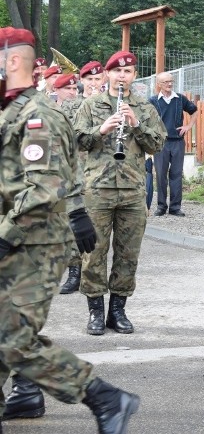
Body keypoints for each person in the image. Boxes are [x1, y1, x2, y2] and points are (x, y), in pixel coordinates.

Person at [0, 27, 140, 434]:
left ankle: (105, 398)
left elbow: (43, 187)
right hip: (19, 239)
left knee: (12, 338)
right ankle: (30, 397)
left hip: (34, 243)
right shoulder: (11, 110)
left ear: (12, 61)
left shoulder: (38, 115)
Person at [74, 51, 166, 334]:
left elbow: (158, 144)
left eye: (127, 72)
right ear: (107, 75)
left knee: (128, 254)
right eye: (116, 72)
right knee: (94, 253)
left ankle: (118, 310)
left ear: (134, 76)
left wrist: (136, 125)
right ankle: (95, 312)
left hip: (132, 191)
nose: (122, 76)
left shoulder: (145, 107)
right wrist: (101, 130)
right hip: (98, 191)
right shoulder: (90, 105)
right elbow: (77, 139)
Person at [57, 61, 104, 294]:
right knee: (73, 222)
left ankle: (93, 273)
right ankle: (74, 271)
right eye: (89, 80)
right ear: (81, 82)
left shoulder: (111, 104)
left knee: (97, 225)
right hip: (76, 173)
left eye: (97, 79)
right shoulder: (69, 106)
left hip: (101, 175)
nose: (94, 84)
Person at [149, 72, 198, 217]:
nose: (169, 84)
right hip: (161, 143)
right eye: (166, 82)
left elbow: (194, 111)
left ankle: (175, 207)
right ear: (159, 84)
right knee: (161, 175)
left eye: (171, 81)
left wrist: (188, 126)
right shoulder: (152, 101)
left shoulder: (180, 99)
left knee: (176, 175)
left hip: (177, 142)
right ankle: (161, 206)